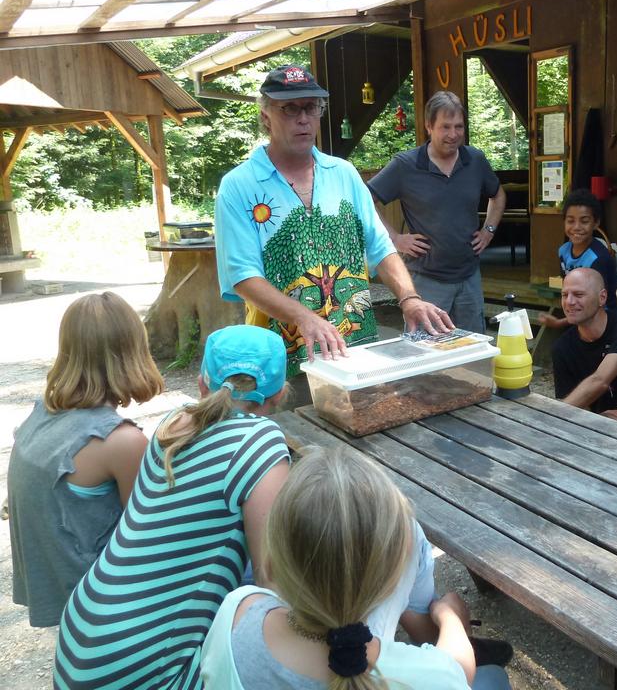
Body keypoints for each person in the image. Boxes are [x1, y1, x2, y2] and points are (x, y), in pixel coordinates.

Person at [55, 325, 292, 689]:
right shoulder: (262, 442)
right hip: (143, 662)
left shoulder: (175, 421)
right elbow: (271, 579)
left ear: (201, 383)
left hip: (82, 630)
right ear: (280, 393)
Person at [214, 65, 452, 393]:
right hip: (280, 361)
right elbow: (243, 276)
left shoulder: (344, 173)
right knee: (296, 426)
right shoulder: (238, 185)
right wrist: (304, 317)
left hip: (356, 353)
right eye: (289, 108)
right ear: (266, 116)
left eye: (311, 107)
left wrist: (409, 299)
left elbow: (380, 245)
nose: (303, 119)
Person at [200, 447, 512, 690]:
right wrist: (450, 617)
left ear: (270, 565)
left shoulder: (237, 610)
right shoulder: (425, 676)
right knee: (494, 678)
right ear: (394, 585)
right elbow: (457, 670)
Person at [7, 291, 164, 628]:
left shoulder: (40, 415)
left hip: (60, 596)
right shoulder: (121, 441)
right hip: (104, 609)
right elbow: (148, 540)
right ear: (134, 351)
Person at [367, 90, 506, 334]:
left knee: (474, 348)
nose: (453, 134)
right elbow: (366, 199)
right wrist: (395, 238)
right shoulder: (406, 165)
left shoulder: (475, 160)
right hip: (426, 281)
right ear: (429, 126)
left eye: (459, 126)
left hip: (469, 277)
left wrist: (489, 230)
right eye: (445, 127)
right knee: (425, 349)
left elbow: (498, 195)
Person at [552, 268, 617, 419]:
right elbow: (572, 403)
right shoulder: (562, 347)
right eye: (564, 295)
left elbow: (600, 381)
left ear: (602, 297)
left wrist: (553, 417)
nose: (569, 302)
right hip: (596, 421)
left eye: (578, 294)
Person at [539, 189, 617, 332]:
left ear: (596, 223)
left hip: (604, 323)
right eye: (570, 221)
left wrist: (560, 323)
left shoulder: (598, 258)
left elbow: (597, 305)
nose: (576, 227)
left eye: (584, 221)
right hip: (580, 317)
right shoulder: (563, 251)